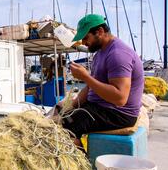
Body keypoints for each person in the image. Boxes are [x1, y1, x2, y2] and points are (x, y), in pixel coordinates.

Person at [58, 14, 144, 146]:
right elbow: (90, 88)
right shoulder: (100, 54)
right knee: (62, 114)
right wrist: (71, 105)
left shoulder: (117, 54)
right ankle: (80, 146)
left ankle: (80, 159)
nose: (84, 43)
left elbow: (120, 98)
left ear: (100, 32)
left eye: (86, 38)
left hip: (118, 113)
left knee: (64, 128)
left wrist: (85, 77)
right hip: (101, 108)